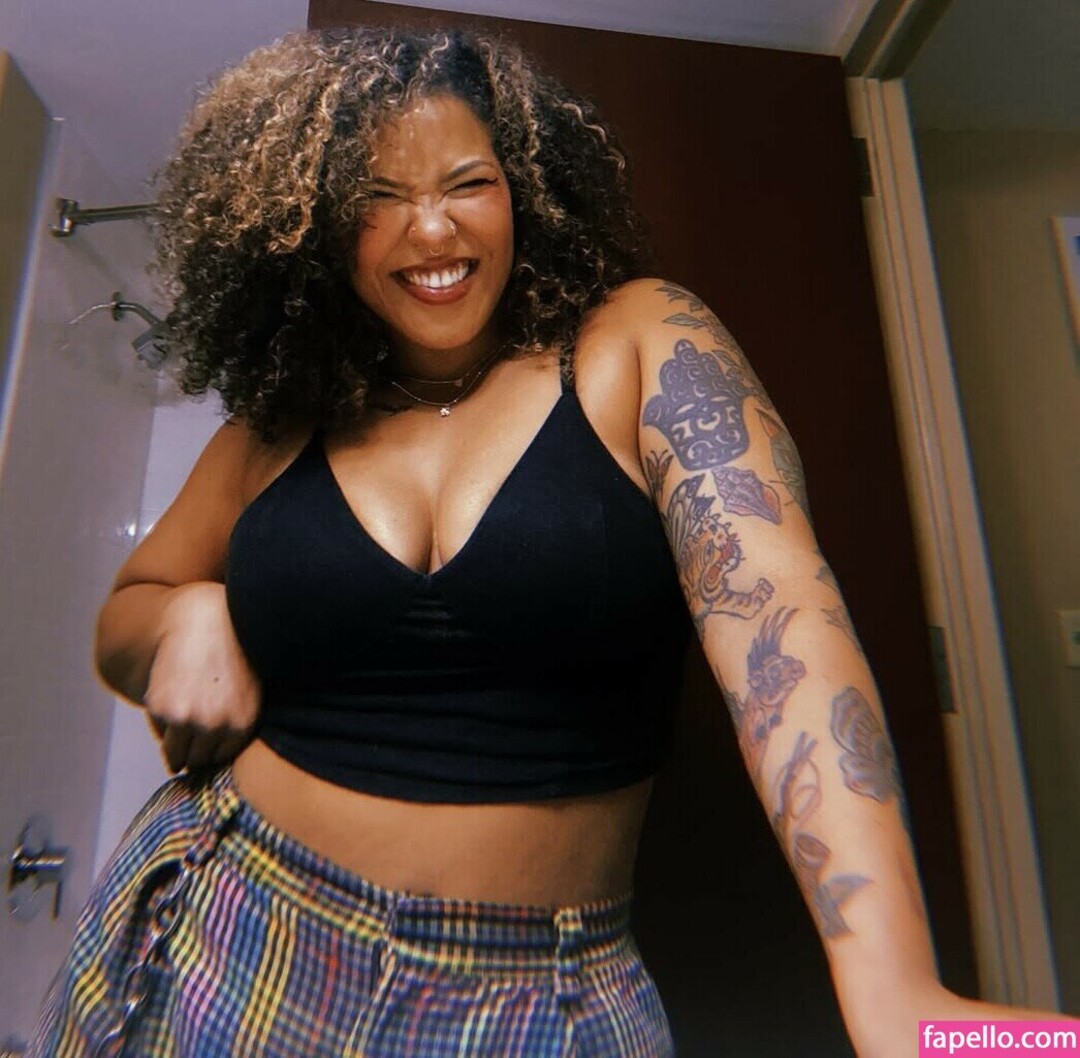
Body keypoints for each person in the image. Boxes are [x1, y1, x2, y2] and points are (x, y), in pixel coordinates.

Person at [29, 25, 1063, 1058]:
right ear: (324, 228)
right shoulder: (280, 425)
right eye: (378, 196)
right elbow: (129, 609)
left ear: (524, 188)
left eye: (467, 183)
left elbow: (780, 619)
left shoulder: (637, 343)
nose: (430, 228)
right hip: (220, 927)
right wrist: (186, 613)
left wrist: (892, 987)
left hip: (535, 1002)